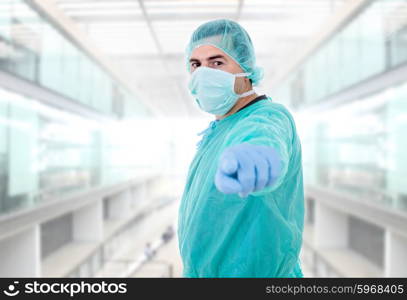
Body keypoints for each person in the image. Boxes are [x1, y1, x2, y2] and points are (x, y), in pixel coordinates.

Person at [177, 19, 305, 278]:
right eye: (196, 64)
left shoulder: (267, 117)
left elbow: (263, 138)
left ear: (245, 68)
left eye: (217, 62)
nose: (203, 73)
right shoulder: (218, 129)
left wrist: (255, 159)